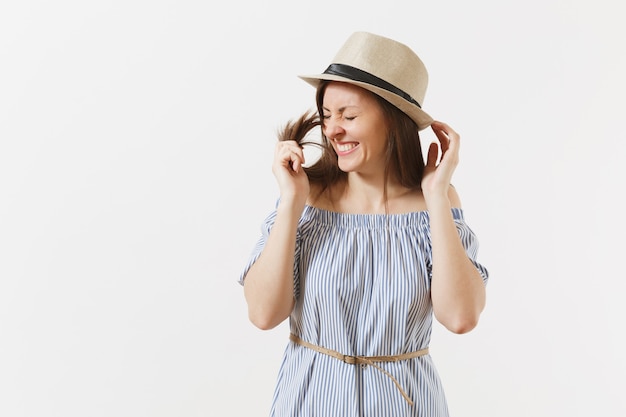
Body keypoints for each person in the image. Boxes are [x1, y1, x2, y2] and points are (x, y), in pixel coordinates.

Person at [238, 31, 489, 417]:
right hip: (309, 403)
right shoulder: (306, 199)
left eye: (349, 115)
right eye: (327, 115)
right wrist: (291, 201)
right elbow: (263, 313)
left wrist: (437, 195)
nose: (332, 129)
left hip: (405, 405)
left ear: (394, 121)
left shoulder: (433, 207)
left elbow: (460, 317)